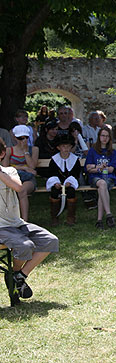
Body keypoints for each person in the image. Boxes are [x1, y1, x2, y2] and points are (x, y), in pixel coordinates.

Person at [0, 138, 59, 302]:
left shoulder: (9, 171)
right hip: (1, 228)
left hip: (16, 223)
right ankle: (15, 276)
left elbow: (18, 187)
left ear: (2, 154)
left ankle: (17, 275)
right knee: (25, 246)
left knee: (50, 240)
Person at [85, 127, 116, 229]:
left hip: (109, 177)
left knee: (102, 188)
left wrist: (96, 168)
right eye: (103, 136)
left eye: (107, 136)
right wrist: (98, 168)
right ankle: (109, 214)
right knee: (102, 184)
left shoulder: (113, 152)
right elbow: (88, 168)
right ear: (99, 137)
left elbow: (112, 169)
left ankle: (99, 221)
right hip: (95, 178)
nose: (105, 138)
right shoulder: (92, 151)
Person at [2, 125, 39, 221]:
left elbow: (32, 167)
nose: (23, 140)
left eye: (26, 137)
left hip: (28, 179)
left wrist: (25, 151)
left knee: (22, 191)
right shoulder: (9, 150)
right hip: (12, 177)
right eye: (20, 138)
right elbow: (5, 167)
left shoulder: (34, 149)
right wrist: (23, 167)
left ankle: (24, 221)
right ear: (15, 138)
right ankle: (9, 219)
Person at [46, 134, 81, 226]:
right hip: (57, 183)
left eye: (68, 146)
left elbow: (76, 173)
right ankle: (54, 217)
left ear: (71, 147)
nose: (66, 148)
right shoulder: (54, 160)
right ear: (58, 147)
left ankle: (71, 217)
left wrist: (70, 181)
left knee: (71, 192)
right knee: (54, 192)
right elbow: (51, 173)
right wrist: (55, 182)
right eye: (63, 146)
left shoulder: (75, 159)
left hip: (69, 183)